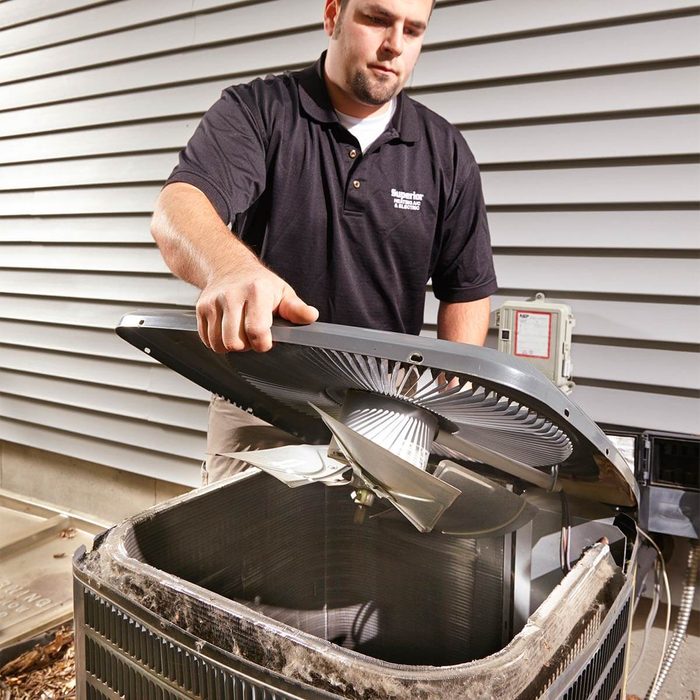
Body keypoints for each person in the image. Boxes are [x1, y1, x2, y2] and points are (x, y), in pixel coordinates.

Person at [151, 0, 498, 483]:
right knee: (237, 549)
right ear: (333, 15)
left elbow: (467, 289)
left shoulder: (445, 151)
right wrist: (229, 268)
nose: (394, 45)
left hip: (386, 407)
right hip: (259, 397)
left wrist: (444, 396)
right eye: (376, 19)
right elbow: (178, 207)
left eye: (413, 30)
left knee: (372, 550)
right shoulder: (257, 111)